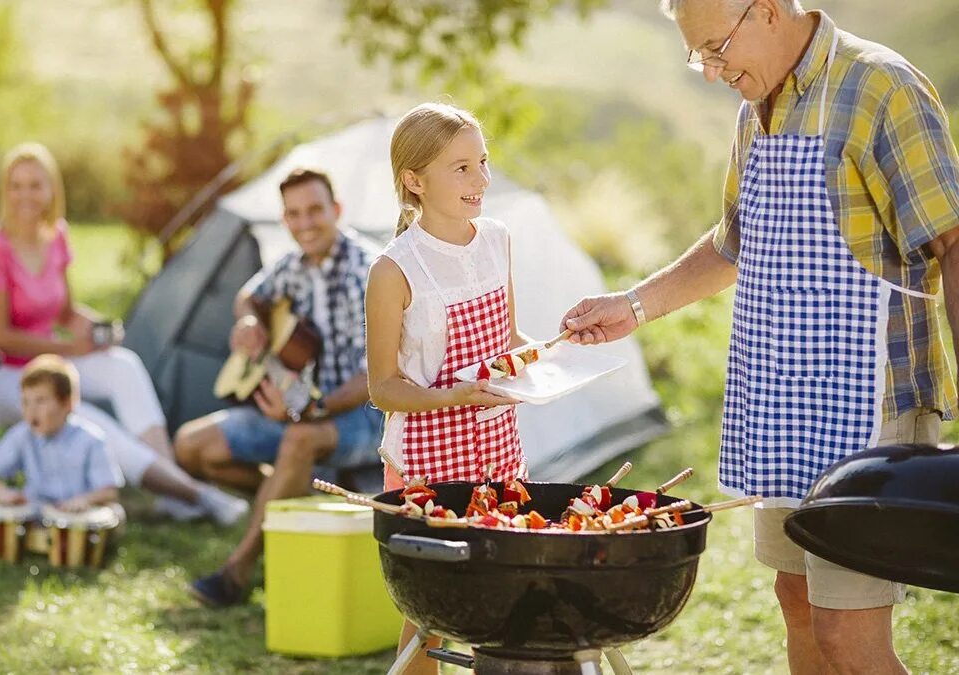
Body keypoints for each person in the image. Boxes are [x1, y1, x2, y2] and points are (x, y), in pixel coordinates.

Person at [562, 2, 959, 673]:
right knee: (796, 597)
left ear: (767, 11)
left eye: (717, 50)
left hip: (870, 409)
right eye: (700, 58)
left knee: (847, 637)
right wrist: (632, 305)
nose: (714, 74)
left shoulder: (879, 86)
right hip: (786, 405)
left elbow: (952, 239)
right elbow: (733, 244)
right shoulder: (757, 109)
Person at [0, 142, 245, 526]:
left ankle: (172, 483)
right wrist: (70, 347)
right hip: (10, 378)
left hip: (53, 361)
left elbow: (66, 310)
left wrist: (99, 330)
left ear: (52, 190)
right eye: (16, 186)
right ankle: (194, 493)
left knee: (123, 364)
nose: (25, 195)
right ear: (5, 191)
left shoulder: (56, 236)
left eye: (36, 185)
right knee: (84, 417)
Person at [366, 102, 527, 674]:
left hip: (499, 448)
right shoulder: (395, 270)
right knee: (431, 610)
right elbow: (383, 386)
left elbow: (506, 338)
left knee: (501, 594)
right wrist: (449, 398)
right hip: (427, 459)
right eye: (462, 168)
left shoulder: (498, 239)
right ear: (415, 179)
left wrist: (545, 353)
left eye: (482, 162)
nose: (482, 180)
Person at [175, 168, 384, 607]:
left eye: (315, 211)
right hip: (300, 410)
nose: (304, 223)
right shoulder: (292, 266)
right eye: (293, 214)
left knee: (297, 438)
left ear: (337, 211)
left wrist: (307, 410)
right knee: (191, 446)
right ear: (284, 220)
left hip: (365, 414)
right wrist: (250, 318)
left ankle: (240, 569)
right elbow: (249, 296)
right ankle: (294, 494)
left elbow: (373, 378)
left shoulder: (370, 272)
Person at [0, 355, 123, 517]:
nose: (31, 410)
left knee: (115, 512)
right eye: (25, 402)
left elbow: (109, 490)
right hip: (34, 514)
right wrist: (1, 492)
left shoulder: (91, 439)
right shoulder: (22, 435)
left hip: (73, 516)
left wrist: (85, 500)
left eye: (41, 401)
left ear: (68, 403)